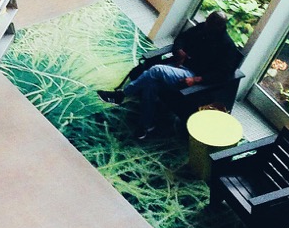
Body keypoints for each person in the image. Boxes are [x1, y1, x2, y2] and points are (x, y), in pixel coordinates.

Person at [97, 11, 241, 137]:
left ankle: (122, 95)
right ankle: (146, 125)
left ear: (219, 27)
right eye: (207, 22)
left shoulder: (227, 47)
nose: (206, 25)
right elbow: (181, 38)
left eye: (210, 24)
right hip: (179, 65)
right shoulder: (203, 28)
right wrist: (179, 50)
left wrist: (196, 79)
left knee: (156, 70)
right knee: (151, 83)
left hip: (191, 75)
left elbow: (224, 74)